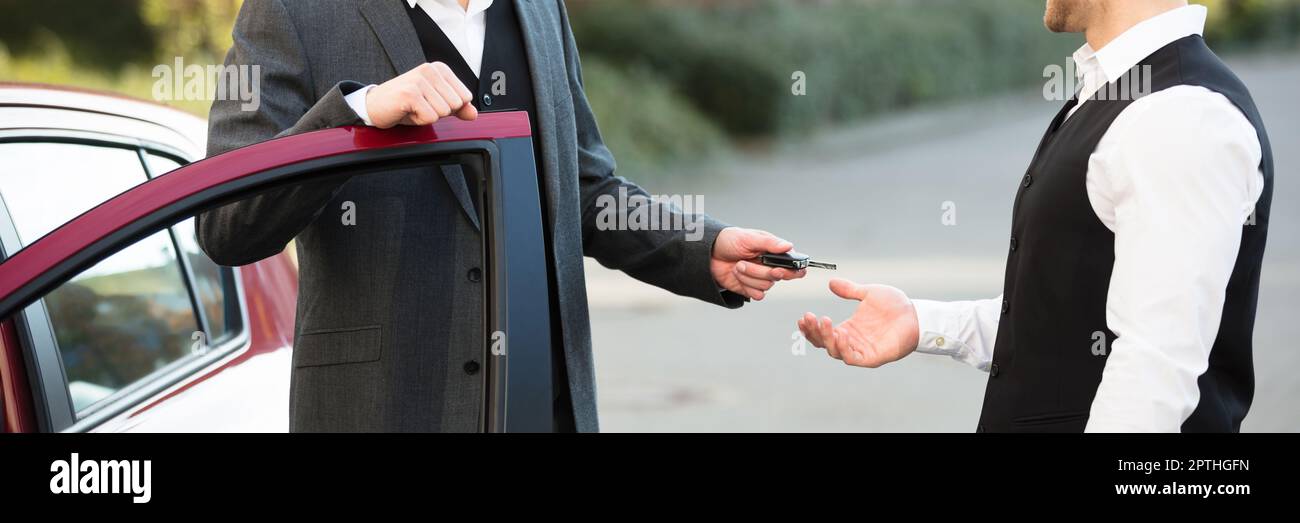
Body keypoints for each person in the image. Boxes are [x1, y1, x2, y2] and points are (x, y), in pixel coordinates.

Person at [199, 0, 805, 432]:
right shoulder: (290, 11)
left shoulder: (540, 9)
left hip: (542, 406)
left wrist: (702, 247)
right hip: (384, 408)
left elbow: (584, 188)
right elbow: (228, 224)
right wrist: (356, 114)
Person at [797, 1, 1272, 432]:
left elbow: (1156, 366)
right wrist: (921, 320)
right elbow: (1069, 314)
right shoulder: (1119, 87)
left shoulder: (1180, 114)